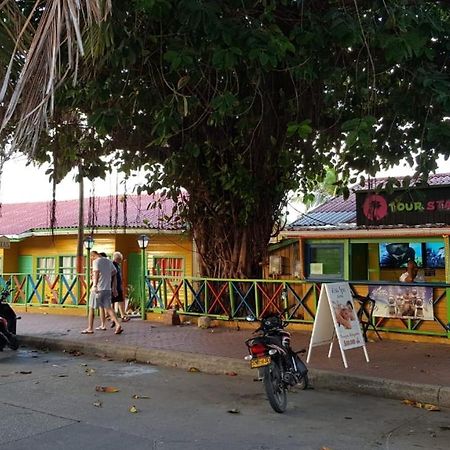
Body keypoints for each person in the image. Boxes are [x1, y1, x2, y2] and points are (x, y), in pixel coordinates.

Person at [81, 250, 123, 335]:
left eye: (91, 257)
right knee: (109, 308)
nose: (91, 259)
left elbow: (96, 272)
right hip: (107, 288)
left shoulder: (96, 261)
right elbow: (114, 272)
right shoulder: (109, 261)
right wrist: (114, 287)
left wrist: (95, 285)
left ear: (93, 256)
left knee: (91, 308)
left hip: (98, 289)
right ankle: (118, 324)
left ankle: (90, 328)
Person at [111, 251, 129, 323]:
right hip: (114, 286)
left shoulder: (117, 265)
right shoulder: (112, 265)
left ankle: (122, 315)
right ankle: (112, 316)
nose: (120, 261)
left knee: (120, 300)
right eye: (119, 259)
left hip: (118, 285)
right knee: (112, 301)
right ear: (116, 259)